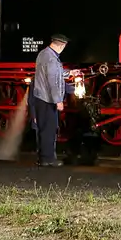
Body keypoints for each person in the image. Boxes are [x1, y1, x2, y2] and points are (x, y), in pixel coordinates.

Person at [29, 33, 69, 167]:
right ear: (61, 46)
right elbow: (52, 80)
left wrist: (69, 73)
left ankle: (43, 158)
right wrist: (58, 100)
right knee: (49, 130)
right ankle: (48, 159)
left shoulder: (44, 54)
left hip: (41, 98)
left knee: (44, 129)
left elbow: (53, 73)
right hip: (47, 99)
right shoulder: (51, 58)